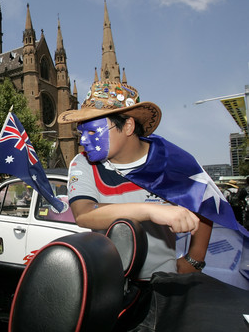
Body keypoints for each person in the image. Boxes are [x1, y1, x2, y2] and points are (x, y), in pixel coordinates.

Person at [58, 80, 213, 280]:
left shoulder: (172, 162)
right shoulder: (83, 163)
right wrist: (150, 210)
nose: (83, 140)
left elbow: (209, 206)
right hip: (106, 283)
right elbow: (84, 214)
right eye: (81, 132)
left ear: (128, 126)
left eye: (92, 131)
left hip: (162, 284)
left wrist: (193, 261)